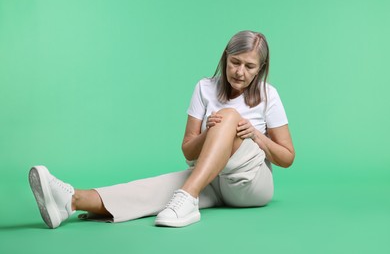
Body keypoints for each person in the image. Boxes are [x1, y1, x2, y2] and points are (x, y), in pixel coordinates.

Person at [28, 30, 295, 229]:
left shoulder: (268, 95)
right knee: (150, 189)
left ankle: (187, 197)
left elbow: (287, 158)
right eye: (235, 62)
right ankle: (71, 201)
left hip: (251, 185)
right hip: (211, 177)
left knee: (228, 116)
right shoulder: (205, 87)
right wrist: (208, 133)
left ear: (260, 69)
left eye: (249, 67)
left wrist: (255, 134)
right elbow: (188, 150)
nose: (240, 72)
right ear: (225, 58)